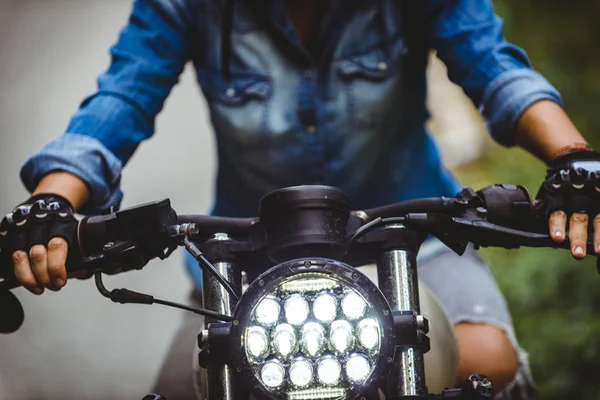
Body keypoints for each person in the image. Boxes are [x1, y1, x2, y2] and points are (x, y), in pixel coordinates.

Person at [2, 0, 600, 398]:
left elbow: (493, 66)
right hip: (243, 255)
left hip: (418, 237)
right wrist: (52, 205)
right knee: (190, 390)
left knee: (489, 363)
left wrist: (574, 160)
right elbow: (121, 99)